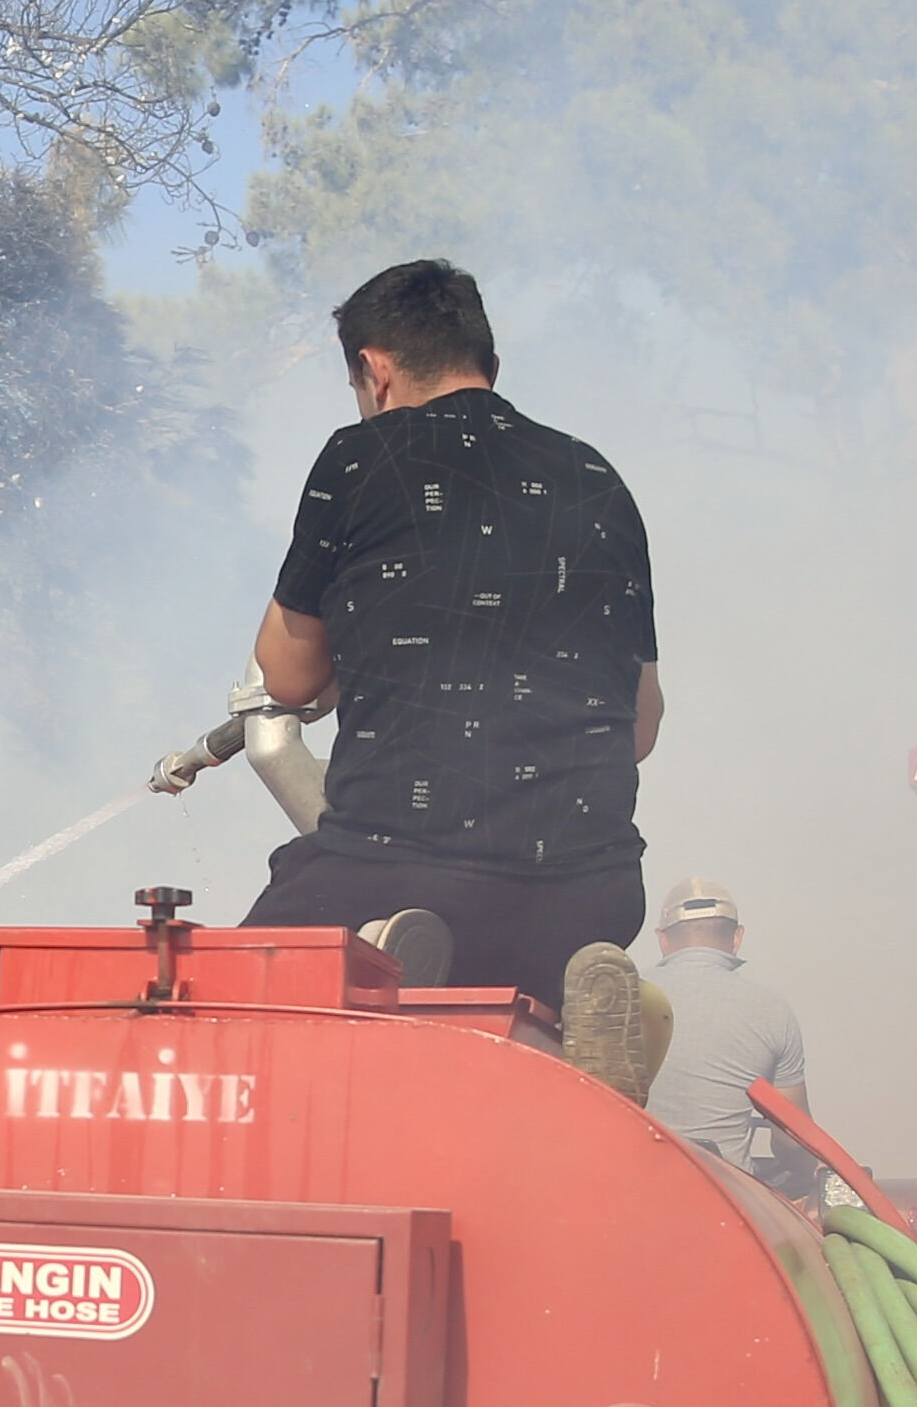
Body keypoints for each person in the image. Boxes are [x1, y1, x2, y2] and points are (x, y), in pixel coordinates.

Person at [238, 259, 665, 1078]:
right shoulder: (596, 478)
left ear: (375, 369)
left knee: (234, 998)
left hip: (398, 865)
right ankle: (561, 1012)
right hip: (594, 890)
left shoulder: (361, 457)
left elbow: (287, 677)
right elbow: (639, 728)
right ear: (490, 370)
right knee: (518, 962)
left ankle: (403, 959)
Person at [643, 876, 818, 1191]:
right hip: (728, 1198)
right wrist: (806, 1173)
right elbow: (794, 1140)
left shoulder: (622, 994)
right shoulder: (773, 1009)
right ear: (736, 937)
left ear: (663, 940)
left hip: (629, 1187)